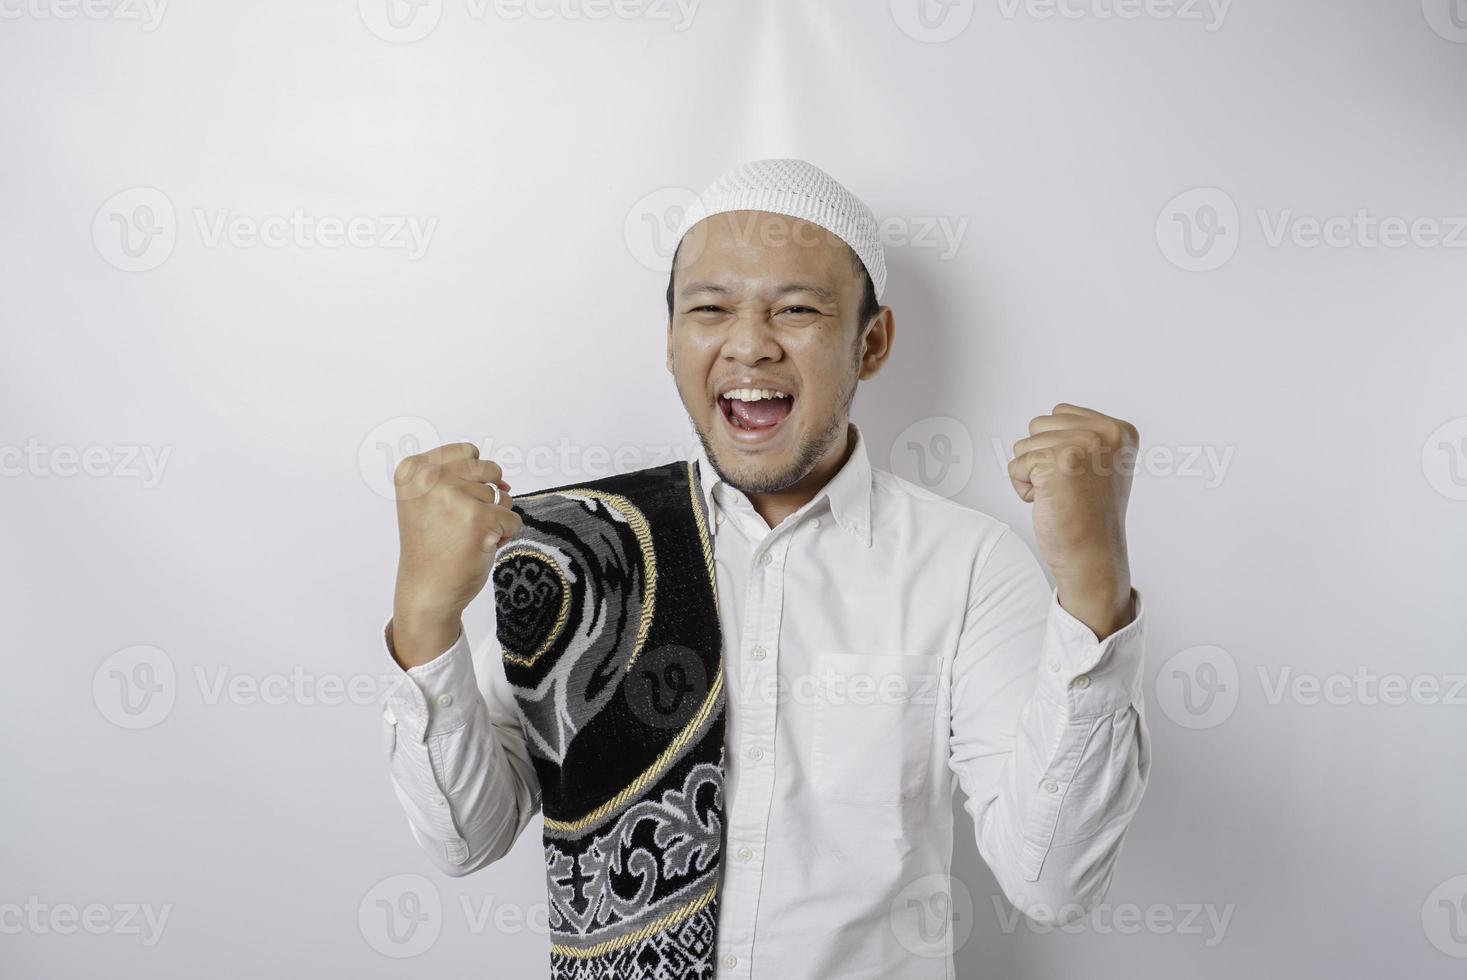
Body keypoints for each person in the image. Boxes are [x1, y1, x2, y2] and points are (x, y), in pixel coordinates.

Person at [378, 158, 1151, 979]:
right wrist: (426, 619)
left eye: (797, 310)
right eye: (709, 309)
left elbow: (1054, 881)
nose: (749, 344)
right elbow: (467, 837)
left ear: (873, 341)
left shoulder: (967, 564)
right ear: (671, 338)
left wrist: (1095, 586)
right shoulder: (572, 551)